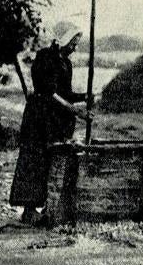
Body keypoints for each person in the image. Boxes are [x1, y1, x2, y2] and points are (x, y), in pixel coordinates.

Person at [9, 28, 90, 224]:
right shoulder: (45, 57)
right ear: (63, 40)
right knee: (34, 160)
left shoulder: (66, 63)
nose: (75, 48)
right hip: (39, 117)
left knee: (51, 160)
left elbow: (65, 93)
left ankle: (47, 206)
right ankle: (29, 210)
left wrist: (84, 97)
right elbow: (49, 92)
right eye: (72, 44)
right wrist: (74, 110)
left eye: (76, 44)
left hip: (55, 120)